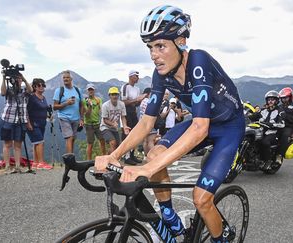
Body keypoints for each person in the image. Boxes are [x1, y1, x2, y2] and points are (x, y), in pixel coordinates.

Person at [95, 5, 245, 242]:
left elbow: (199, 128)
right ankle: (169, 217)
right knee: (153, 155)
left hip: (228, 128)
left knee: (202, 199)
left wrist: (146, 171)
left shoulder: (198, 61)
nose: (154, 55)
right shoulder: (161, 74)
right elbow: (146, 123)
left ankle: (222, 238)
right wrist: (115, 154)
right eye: (150, 47)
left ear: (181, 41)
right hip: (201, 122)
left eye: (161, 46)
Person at [0, 72, 32, 174]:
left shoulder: (24, 90)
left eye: (19, 78)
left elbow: (30, 90)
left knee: (18, 145)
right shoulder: (9, 89)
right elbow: (3, 92)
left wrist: (24, 79)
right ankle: (7, 166)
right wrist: (4, 78)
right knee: (7, 144)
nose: (18, 80)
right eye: (16, 78)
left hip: (20, 120)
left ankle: (18, 166)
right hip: (7, 119)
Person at [249, 91, 285, 169]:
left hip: (272, 133)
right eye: (269, 100)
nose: (270, 101)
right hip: (260, 131)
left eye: (272, 99)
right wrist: (247, 115)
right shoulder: (263, 110)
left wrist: (271, 125)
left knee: (264, 142)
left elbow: (282, 124)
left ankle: (267, 160)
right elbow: (253, 116)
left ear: (276, 101)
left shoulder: (280, 111)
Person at [53, 70, 84, 154]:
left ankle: (70, 158)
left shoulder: (78, 90)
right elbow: (54, 107)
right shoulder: (59, 91)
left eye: (67, 77)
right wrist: (67, 103)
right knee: (69, 137)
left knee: (73, 138)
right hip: (64, 117)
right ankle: (69, 161)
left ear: (71, 79)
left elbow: (81, 105)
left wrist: (82, 119)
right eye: (64, 78)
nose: (65, 79)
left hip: (76, 118)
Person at [121, 70, 146, 165]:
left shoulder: (137, 89)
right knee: (127, 133)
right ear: (131, 77)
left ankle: (132, 155)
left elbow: (136, 103)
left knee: (134, 134)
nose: (138, 78)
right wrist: (136, 99)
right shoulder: (125, 87)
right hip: (126, 112)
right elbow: (123, 102)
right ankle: (126, 156)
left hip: (133, 112)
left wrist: (140, 100)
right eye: (136, 76)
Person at [26, 78, 52, 170]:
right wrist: (28, 123)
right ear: (34, 87)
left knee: (36, 143)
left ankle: (35, 163)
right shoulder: (32, 97)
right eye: (39, 85)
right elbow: (26, 111)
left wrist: (48, 116)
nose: (41, 87)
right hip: (33, 123)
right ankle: (41, 163)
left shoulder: (43, 98)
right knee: (40, 142)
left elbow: (43, 109)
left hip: (42, 123)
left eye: (43, 85)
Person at [100, 87, 130, 154]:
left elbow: (123, 117)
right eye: (112, 94)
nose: (114, 96)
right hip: (105, 127)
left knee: (117, 147)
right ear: (109, 96)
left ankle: (108, 157)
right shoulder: (105, 105)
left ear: (118, 95)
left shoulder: (121, 104)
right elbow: (105, 120)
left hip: (114, 128)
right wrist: (112, 124)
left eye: (116, 94)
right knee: (113, 143)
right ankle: (112, 162)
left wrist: (125, 126)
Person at [277, 87, 293, 160]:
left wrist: (286, 117)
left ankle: (280, 155)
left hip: (289, 127)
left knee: (284, 135)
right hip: (278, 125)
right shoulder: (279, 107)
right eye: (282, 98)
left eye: (286, 98)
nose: (284, 99)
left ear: (290, 97)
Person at [82, 83, 106, 159]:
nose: (90, 91)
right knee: (90, 143)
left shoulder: (98, 100)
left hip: (97, 123)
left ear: (94, 90)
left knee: (102, 140)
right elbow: (87, 115)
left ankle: (104, 157)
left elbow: (102, 110)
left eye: (92, 89)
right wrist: (90, 106)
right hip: (89, 125)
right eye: (89, 90)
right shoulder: (84, 101)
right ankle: (89, 161)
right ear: (87, 91)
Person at [139, 88, 157, 157]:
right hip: (150, 122)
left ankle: (146, 156)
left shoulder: (142, 102)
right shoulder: (149, 101)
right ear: (148, 94)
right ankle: (154, 156)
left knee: (145, 141)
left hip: (142, 123)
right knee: (151, 141)